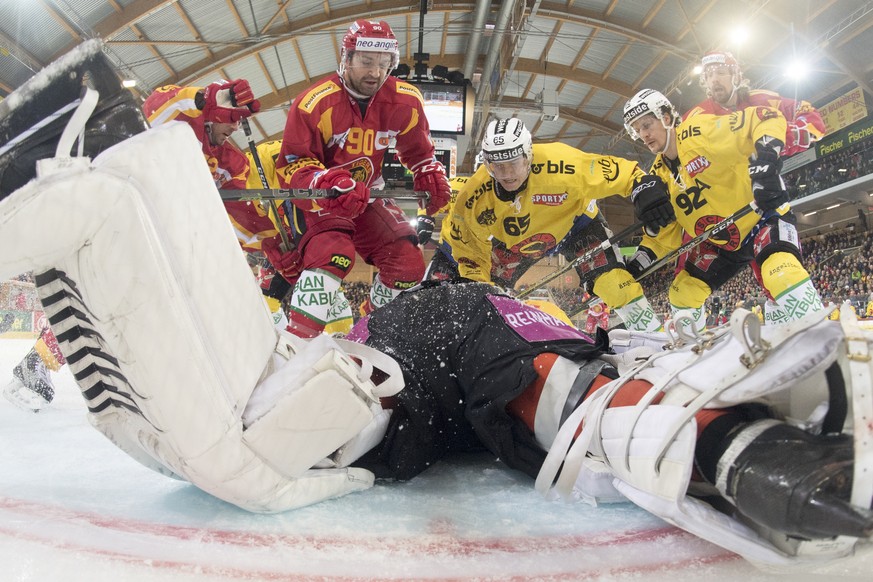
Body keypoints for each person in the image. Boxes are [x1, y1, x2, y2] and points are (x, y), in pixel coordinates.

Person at [275, 19, 451, 337]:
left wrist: (428, 169)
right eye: (367, 61)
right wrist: (326, 182)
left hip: (366, 195)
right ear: (346, 58)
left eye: (384, 64)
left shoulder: (406, 100)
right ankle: (297, 343)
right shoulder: (314, 103)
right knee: (334, 254)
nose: (375, 72)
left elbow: (419, 149)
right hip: (319, 200)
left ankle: (366, 330)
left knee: (409, 264)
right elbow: (291, 166)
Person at [446, 117, 675, 332]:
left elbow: (613, 171)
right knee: (483, 296)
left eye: (513, 163)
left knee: (613, 283)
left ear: (528, 156)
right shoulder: (473, 197)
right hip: (517, 242)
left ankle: (652, 336)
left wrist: (642, 185)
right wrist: (476, 289)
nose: (506, 174)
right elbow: (469, 252)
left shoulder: (561, 163)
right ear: (487, 163)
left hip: (577, 224)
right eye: (497, 165)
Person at [622, 88, 823, 329]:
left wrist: (766, 159)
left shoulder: (700, 130)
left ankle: (824, 338)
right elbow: (668, 235)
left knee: (781, 273)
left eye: (646, 125)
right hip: (720, 244)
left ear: (665, 118)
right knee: (681, 294)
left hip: (760, 219)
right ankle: (694, 354)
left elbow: (764, 117)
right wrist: (638, 261)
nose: (643, 135)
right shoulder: (657, 176)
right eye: (636, 130)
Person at [686, 50, 826, 157]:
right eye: (709, 75)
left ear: (736, 77)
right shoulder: (697, 115)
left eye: (721, 73)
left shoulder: (761, 100)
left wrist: (790, 134)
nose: (714, 79)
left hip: (762, 183)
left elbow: (807, 112)